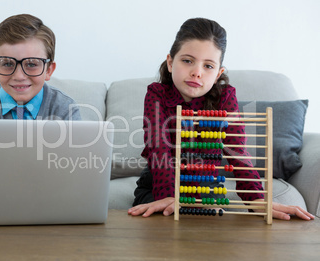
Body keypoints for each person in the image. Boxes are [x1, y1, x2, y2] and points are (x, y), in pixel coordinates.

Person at [128, 18, 315, 221]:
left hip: (205, 191)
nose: (197, 72)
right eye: (188, 60)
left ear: (218, 74)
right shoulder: (157, 94)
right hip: (158, 188)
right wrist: (167, 196)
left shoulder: (225, 98)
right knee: (162, 227)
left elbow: (237, 151)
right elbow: (158, 146)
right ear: (171, 62)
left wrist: (257, 200)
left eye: (208, 66)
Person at [0, 14, 81, 120]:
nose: (19, 76)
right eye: (8, 64)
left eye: (31, 64)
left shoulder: (65, 108)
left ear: (49, 70)